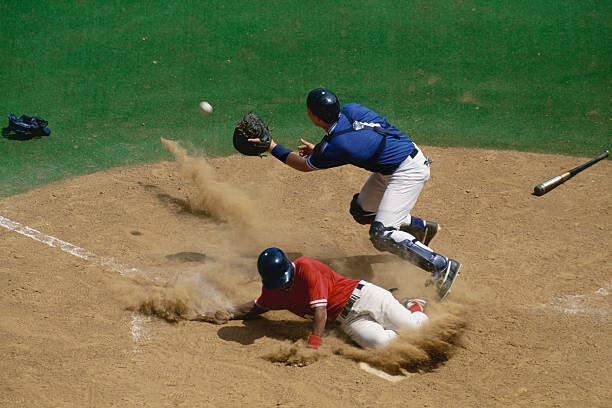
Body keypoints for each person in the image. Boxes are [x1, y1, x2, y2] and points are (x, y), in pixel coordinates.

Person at [249, 88, 461, 299]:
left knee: (382, 234)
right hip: (396, 162)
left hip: (407, 172)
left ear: (314, 116)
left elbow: (305, 165)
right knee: (361, 211)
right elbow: (361, 139)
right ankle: (420, 229)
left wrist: (271, 146)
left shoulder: (336, 145)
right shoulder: (352, 109)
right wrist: (322, 152)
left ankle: (442, 266)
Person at [192, 247, 429, 349]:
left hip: (366, 297)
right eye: (277, 285)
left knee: (417, 331)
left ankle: (414, 306)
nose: (282, 289)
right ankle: (399, 321)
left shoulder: (306, 268)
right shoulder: (275, 291)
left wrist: (313, 345)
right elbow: (255, 307)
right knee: (381, 345)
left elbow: (320, 313)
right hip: (349, 321)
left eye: (283, 282)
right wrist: (224, 313)